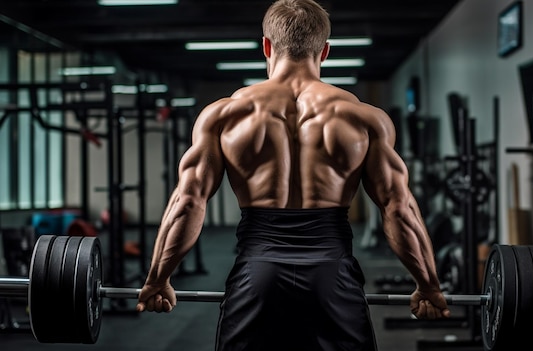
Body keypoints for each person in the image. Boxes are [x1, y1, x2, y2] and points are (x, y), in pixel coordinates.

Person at [136, 0, 450, 349]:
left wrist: (157, 279)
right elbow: (398, 207)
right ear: (325, 51)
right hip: (333, 275)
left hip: (256, 274)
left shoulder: (224, 115)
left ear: (266, 47)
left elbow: (188, 201)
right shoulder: (364, 118)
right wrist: (429, 286)